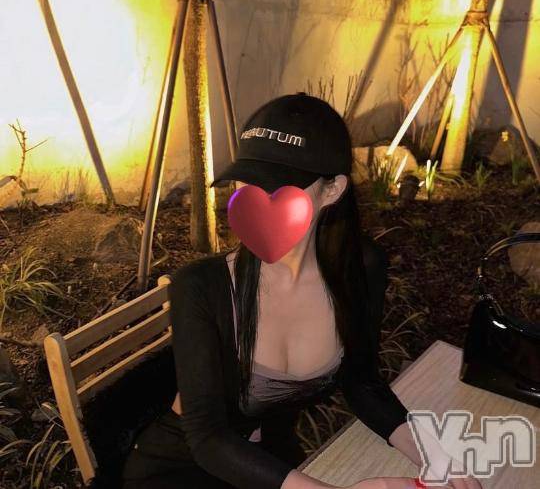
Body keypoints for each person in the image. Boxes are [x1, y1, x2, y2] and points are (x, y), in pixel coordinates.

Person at [121, 93, 481, 489]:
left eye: (279, 186)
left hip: (272, 462)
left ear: (332, 190)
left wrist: (437, 456)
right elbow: (208, 439)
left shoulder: (360, 268)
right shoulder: (201, 285)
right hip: (182, 470)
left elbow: (361, 382)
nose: (254, 198)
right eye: (246, 179)